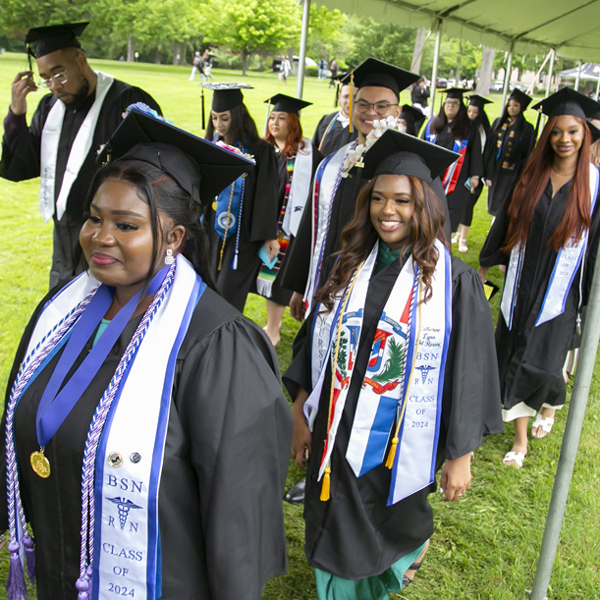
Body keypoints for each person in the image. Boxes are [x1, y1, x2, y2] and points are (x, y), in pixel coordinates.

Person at [0, 106, 292, 600]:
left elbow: (240, 502)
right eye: (94, 217)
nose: (100, 237)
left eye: (127, 225)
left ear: (175, 237)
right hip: (60, 566)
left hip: (156, 579)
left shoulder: (214, 344)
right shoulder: (61, 311)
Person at [284, 129, 502, 599]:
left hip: (397, 436)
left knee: (387, 518)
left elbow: (469, 372)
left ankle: (392, 558)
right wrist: (301, 412)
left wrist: (460, 455)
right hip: (335, 423)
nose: (388, 211)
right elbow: (315, 345)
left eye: (402, 200)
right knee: (335, 515)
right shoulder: (348, 264)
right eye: (378, 198)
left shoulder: (452, 283)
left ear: (424, 205)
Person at [478, 88, 600, 468]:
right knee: (514, 355)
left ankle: (549, 403)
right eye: (557, 131)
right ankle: (519, 440)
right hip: (523, 282)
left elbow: (594, 243)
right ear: (548, 135)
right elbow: (507, 221)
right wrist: (486, 262)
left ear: (586, 136)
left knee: (545, 364)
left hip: (560, 292)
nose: (565, 139)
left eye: (573, 132)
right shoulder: (531, 176)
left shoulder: (595, 186)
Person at [0, 22, 161, 290]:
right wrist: (17, 114)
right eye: (45, 79)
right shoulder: (50, 107)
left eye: (59, 74)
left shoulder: (127, 102)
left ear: (81, 60)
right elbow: (20, 167)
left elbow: (154, 170)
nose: (54, 86)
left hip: (110, 240)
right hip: (64, 238)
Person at [282, 57, 420, 322]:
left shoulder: (412, 167)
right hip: (324, 283)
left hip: (375, 295)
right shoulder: (334, 163)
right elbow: (313, 226)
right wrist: (301, 286)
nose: (372, 113)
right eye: (363, 104)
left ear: (398, 110)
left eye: (382, 106)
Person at [202, 82, 280, 312]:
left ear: (237, 115)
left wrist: (268, 236)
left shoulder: (259, 150)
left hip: (242, 237)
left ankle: (226, 335)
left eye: (224, 118)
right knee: (205, 286)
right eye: (214, 118)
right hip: (210, 231)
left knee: (228, 292)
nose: (219, 124)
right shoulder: (210, 145)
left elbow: (267, 194)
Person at [257, 94, 321, 346]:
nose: (274, 123)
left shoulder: (308, 154)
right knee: (267, 272)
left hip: (289, 227)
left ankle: (273, 328)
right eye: (272, 117)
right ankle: (274, 323)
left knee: (278, 277)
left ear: (292, 123)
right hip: (265, 224)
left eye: (281, 118)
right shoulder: (265, 151)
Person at [422, 88, 483, 234]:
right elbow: (422, 146)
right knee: (429, 210)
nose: (451, 106)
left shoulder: (468, 127)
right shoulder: (433, 124)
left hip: (458, 180)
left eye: (455, 103)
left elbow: (475, 151)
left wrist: (475, 176)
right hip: (434, 176)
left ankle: (445, 244)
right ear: (444, 104)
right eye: (448, 102)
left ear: (460, 106)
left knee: (450, 213)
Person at [483, 88, 535, 218]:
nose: (511, 108)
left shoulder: (527, 128)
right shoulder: (498, 123)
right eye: (510, 105)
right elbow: (490, 148)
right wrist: (487, 172)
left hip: (512, 172)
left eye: (516, 105)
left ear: (522, 108)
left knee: (506, 202)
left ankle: (497, 225)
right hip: (495, 170)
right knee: (493, 200)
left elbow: (528, 152)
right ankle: (494, 224)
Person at [453, 94, 493, 252]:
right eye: (469, 111)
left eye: (475, 112)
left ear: (481, 113)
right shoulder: (464, 129)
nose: (471, 115)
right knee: (461, 204)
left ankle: (463, 238)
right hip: (461, 174)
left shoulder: (486, 133)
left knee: (468, 205)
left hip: (475, 175)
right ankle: (457, 234)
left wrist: (484, 175)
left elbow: (488, 156)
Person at [312, 80, 358, 157]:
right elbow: (314, 152)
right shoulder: (326, 121)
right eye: (346, 96)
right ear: (339, 98)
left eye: (354, 97)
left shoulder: (364, 126)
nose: (349, 101)